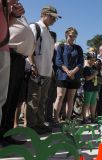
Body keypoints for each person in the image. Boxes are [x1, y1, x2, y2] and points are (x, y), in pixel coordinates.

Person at [0, 0, 35, 145]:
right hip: (11, 54)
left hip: (19, 59)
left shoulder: (13, 8)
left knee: (13, 98)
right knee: (5, 98)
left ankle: (7, 134)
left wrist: (14, 13)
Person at [26, 6, 60, 134]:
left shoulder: (48, 32)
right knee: (34, 99)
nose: (54, 20)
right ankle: (31, 126)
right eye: (52, 17)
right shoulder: (35, 27)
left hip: (46, 71)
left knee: (43, 100)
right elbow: (30, 47)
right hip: (37, 70)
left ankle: (39, 123)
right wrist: (33, 65)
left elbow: (49, 54)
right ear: (44, 14)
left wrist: (50, 70)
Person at [53, 27, 84, 123]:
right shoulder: (61, 47)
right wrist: (67, 71)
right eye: (71, 35)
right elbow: (58, 61)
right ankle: (55, 119)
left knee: (71, 99)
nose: (72, 37)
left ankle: (68, 119)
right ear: (66, 35)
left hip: (74, 76)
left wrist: (73, 72)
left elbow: (80, 62)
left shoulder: (78, 48)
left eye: (74, 36)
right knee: (60, 96)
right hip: (62, 75)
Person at [82, 52, 101, 123]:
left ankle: (93, 118)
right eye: (92, 60)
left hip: (94, 88)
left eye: (94, 60)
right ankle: (84, 118)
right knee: (86, 103)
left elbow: (97, 76)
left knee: (93, 103)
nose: (93, 61)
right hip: (88, 88)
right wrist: (94, 74)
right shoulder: (86, 68)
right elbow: (87, 78)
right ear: (88, 60)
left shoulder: (94, 68)